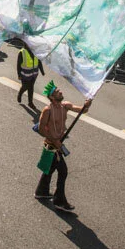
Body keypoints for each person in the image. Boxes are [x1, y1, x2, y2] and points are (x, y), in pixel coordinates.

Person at [34, 81, 91, 213]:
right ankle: (59, 201)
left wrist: (87, 104)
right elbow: (41, 130)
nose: (60, 92)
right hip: (52, 146)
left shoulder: (65, 106)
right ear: (52, 97)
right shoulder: (47, 111)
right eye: (57, 91)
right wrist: (55, 141)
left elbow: (82, 110)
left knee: (50, 169)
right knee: (63, 171)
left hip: (59, 144)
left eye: (59, 90)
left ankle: (41, 191)